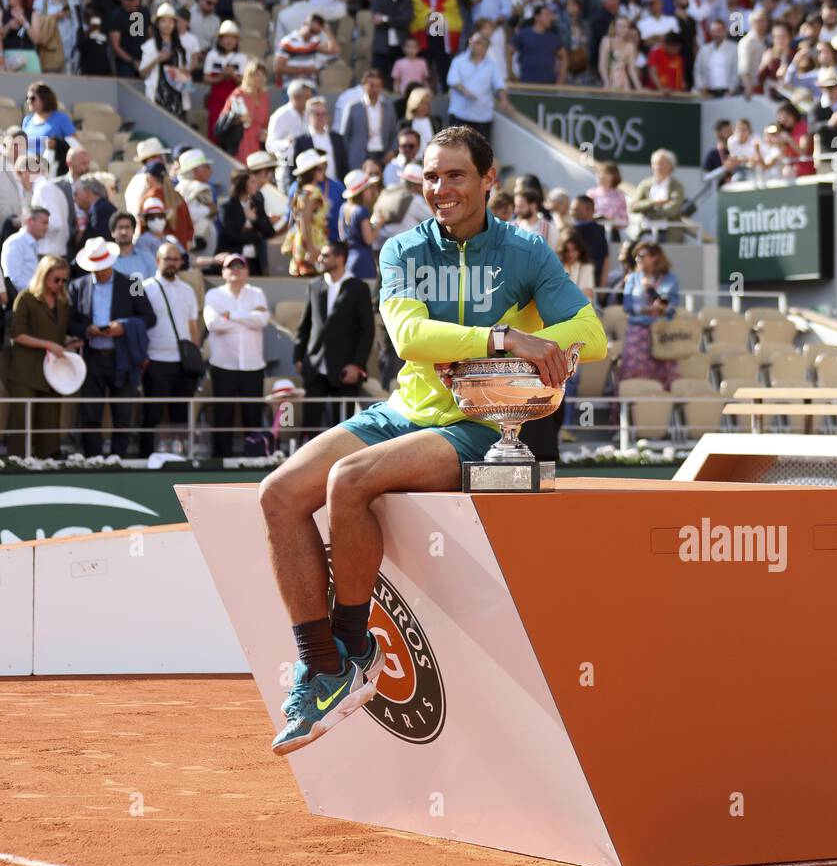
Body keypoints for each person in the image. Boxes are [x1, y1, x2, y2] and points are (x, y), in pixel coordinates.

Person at [259, 124, 608, 756]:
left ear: (488, 179)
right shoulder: (401, 251)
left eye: (455, 175)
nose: (439, 189)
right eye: (430, 176)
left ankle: (356, 649)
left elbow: (592, 332)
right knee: (279, 492)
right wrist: (505, 341)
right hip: (403, 410)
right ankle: (324, 664)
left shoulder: (526, 251)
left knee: (350, 480)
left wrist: (542, 346)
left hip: (478, 425)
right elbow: (409, 340)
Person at [67, 235, 156, 457]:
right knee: (90, 414)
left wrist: (125, 327)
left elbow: (149, 317)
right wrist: (87, 330)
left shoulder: (133, 283)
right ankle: (93, 460)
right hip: (92, 356)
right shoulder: (77, 286)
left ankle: (119, 460)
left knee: (123, 414)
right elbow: (69, 322)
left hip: (122, 357)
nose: (101, 271)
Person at [294, 239, 375, 439]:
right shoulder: (314, 285)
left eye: (325, 255)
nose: (320, 259)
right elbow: (305, 325)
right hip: (314, 366)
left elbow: (367, 331)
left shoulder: (359, 288)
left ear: (340, 259)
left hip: (345, 370)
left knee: (342, 429)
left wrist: (357, 365)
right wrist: (298, 358)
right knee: (311, 424)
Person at [7, 254, 76, 457]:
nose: (60, 284)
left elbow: (57, 334)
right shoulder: (26, 298)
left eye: (64, 280)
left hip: (52, 372)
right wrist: (49, 345)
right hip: (25, 371)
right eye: (56, 279)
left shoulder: (62, 302)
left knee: (49, 422)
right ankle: (17, 464)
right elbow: (17, 334)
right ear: (43, 275)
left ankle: (48, 461)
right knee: (22, 422)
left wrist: (68, 343)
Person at [203, 252, 271, 458]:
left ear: (247, 271)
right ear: (223, 272)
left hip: (253, 367)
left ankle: (255, 460)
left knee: (253, 417)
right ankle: (220, 461)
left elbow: (262, 320)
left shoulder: (257, 293)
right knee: (223, 418)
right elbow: (214, 324)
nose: (235, 270)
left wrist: (230, 316)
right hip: (223, 366)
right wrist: (247, 319)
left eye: (240, 266)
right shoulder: (213, 295)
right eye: (230, 267)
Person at [139, 242, 201, 457]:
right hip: (155, 361)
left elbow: (193, 326)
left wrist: (195, 355)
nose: (172, 263)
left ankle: (180, 457)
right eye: (168, 258)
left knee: (180, 416)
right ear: (158, 260)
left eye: (176, 259)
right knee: (152, 414)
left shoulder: (187, 290)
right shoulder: (145, 288)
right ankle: (146, 457)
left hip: (182, 364)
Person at [618, 241, 681, 390]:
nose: (637, 260)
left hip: (662, 331)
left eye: (642, 256)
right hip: (638, 330)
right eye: (636, 256)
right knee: (632, 372)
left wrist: (654, 296)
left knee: (665, 375)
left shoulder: (670, 279)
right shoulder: (633, 278)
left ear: (655, 257)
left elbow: (671, 306)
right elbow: (628, 306)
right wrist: (648, 309)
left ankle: (662, 411)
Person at [446, 31, 511, 142]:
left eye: (478, 42)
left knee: (481, 154)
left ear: (486, 47)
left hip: (482, 117)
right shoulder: (458, 61)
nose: (473, 44)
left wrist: (504, 100)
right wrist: (465, 91)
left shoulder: (492, 65)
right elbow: (452, 80)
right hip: (460, 115)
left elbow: (499, 85)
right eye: (472, 41)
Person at [217, 168, 274, 276]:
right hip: (234, 261)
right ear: (242, 185)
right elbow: (232, 236)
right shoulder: (227, 207)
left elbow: (270, 231)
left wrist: (255, 219)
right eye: (252, 182)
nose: (256, 185)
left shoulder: (257, 204)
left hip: (255, 263)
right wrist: (256, 235)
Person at [285, 149, 330, 276]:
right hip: (313, 241)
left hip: (303, 240)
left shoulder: (301, 191)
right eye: (319, 169)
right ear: (312, 172)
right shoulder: (313, 191)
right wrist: (311, 247)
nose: (322, 171)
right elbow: (305, 220)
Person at [217, 59, 270, 165]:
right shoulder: (238, 94)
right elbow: (223, 120)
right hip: (241, 139)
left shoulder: (264, 96)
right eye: (255, 75)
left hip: (258, 141)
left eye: (262, 75)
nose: (259, 78)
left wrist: (266, 133)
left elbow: (266, 122)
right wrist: (239, 119)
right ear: (248, 76)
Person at [629, 149, 687, 242]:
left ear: (671, 166)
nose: (657, 167)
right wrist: (652, 203)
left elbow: (672, 210)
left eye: (661, 163)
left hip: (667, 235)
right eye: (654, 164)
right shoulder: (645, 184)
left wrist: (648, 211)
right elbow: (633, 207)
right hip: (646, 231)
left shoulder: (677, 186)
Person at [338, 169, 379, 284]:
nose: (371, 191)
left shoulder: (343, 208)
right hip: (363, 262)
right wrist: (379, 224)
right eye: (369, 188)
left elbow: (342, 236)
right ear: (362, 192)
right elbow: (369, 239)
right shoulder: (361, 211)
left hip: (349, 260)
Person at [1, 207, 49, 296]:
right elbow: (13, 279)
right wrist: (38, 291)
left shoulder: (30, 243)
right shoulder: (15, 243)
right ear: (30, 221)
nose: (47, 227)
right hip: (25, 301)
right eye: (44, 223)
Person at [110, 209, 156, 280]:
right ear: (112, 232)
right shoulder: (108, 262)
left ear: (134, 231)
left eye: (127, 227)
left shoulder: (147, 258)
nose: (124, 232)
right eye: (120, 227)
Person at [559, 227, 596, 300]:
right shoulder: (557, 267)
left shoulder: (587, 267)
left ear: (580, 249)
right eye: (567, 251)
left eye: (574, 250)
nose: (571, 254)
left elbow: (589, 295)